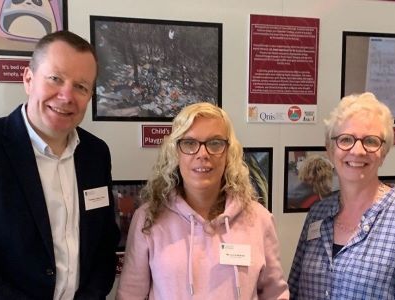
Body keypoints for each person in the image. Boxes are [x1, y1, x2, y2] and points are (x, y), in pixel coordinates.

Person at [0, 30, 119, 299]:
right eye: (55, 79)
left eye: (80, 86)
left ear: (90, 96)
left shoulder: (95, 154)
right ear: (29, 79)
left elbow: (103, 245)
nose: (67, 96)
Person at [117, 102, 289, 299]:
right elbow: (130, 295)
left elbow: (275, 294)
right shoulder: (148, 219)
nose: (202, 154)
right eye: (190, 143)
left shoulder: (259, 219)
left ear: (228, 152)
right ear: (175, 152)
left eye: (215, 143)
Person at [288, 92, 395, 299]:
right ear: (330, 149)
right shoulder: (318, 214)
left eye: (370, 141)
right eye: (345, 139)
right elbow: (293, 292)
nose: (358, 150)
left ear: (384, 152)